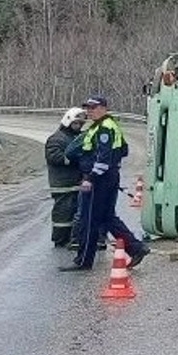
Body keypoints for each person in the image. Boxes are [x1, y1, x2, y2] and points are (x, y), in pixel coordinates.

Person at [64, 95, 150, 274]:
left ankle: (83, 261)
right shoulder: (107, 126)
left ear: (103, 108)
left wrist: (90, 178)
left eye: (93, 108)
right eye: (87, 108)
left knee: (89, 220)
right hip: (109, 177)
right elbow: (123, 150)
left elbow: (103, 159)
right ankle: (135, 248)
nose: (89, 111)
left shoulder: (104, 129)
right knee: (106, 218)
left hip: (99, 180)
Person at [44, 107, 86, 251]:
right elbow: (54, 157)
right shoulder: (56, 138)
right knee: (63, 213)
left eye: (80, 124)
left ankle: (71, 238)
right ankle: (60, 239)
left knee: (73, 212)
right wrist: (73, 159)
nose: (78, 126)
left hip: (75, 183)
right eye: (76, 124)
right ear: (68, 121)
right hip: (62, 183)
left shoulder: (77, 137)